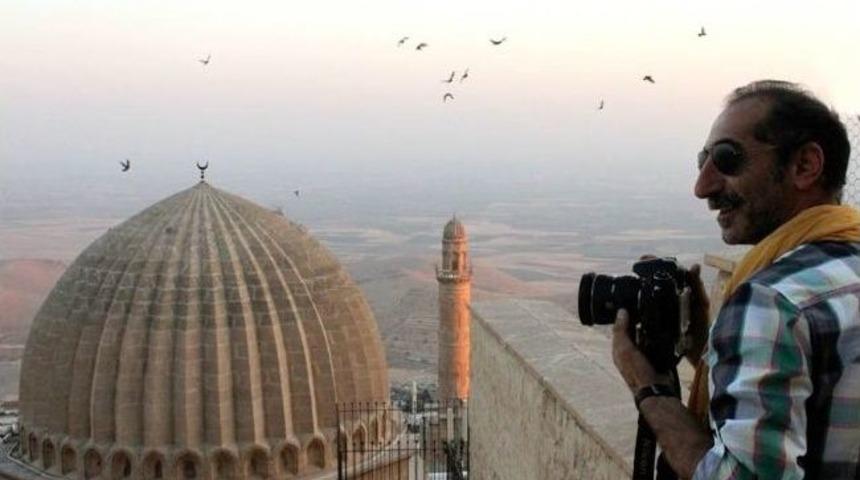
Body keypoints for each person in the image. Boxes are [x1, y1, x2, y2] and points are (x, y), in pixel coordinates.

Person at [612, 80, 860, 479]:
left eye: (727, 159)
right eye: (702, 161)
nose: (702, 187)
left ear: (804, 166)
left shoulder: (771, 301)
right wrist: (710, 348)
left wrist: (651, 389)